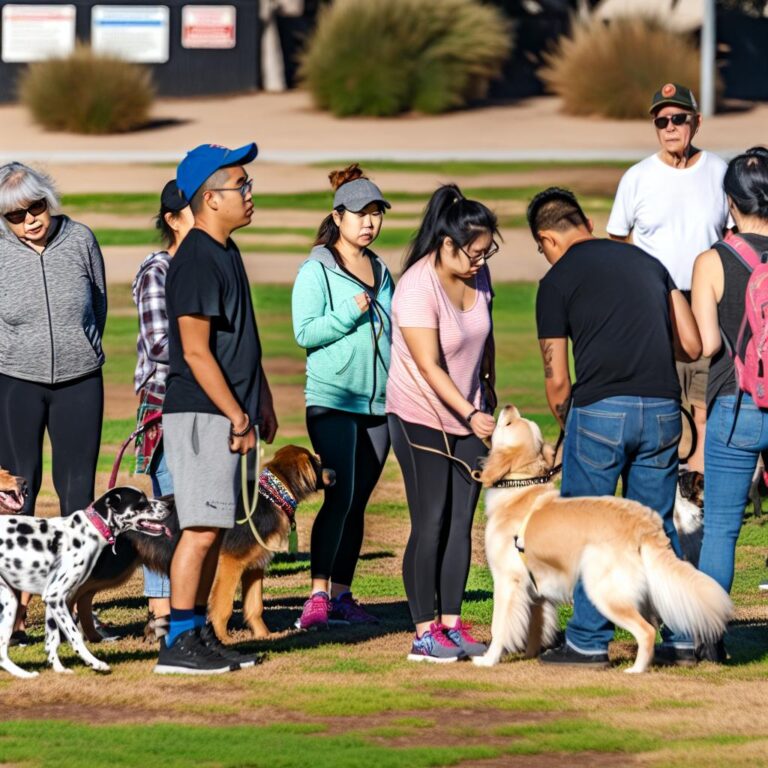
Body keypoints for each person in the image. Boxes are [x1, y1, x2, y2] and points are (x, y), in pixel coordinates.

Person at [530, 187, 702, 667]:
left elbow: (558, 381)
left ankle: (587, 640)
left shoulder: (556, 281)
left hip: (600, 410)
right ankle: (683, 636)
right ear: (584, 222)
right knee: (655, 526)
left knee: (589, 529)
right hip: (664, 408)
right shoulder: (647, 262)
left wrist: (569, 425)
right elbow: (690, 345)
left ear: (548, 238)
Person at [154, 143, 278, 675]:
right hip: (205, 415)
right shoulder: (198, 258)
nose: (249, 195)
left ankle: (198, 632)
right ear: (208, 199)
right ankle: (177, 642)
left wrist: (262, 398)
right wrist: (237, 415)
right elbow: (196, 351)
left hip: (228, 412)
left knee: (212, 526)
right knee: (201, 528)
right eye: (240, 186)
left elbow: (239, 340)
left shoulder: (225, 250)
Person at [386, 184, 498, 663]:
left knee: (461, 523)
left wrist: (487, 388)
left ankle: (451, 625)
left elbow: (483, 334)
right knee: (430, 520)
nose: (480, 260)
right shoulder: (416, 286)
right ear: (446, 244)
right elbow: (430, 366)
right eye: (473, 252)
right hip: (419, 416)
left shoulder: (480, 275)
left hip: (469, 414)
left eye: (487, 251)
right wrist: (470, 413)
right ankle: (423, 632)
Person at [0, 162, 106, 644]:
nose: (30, 220)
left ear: (48, 200)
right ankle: (15, 616)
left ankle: (72, 613)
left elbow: (98, 306)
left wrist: (78, 347)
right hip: (15, 384)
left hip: (80, 382)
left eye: (36, 207)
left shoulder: (81, 239)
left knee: (77, 500)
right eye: (15, 216)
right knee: (16, 497)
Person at [607, 82, 731, 490]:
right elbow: (618, 239)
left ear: (696, 122)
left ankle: (698, 480)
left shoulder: (718, 171)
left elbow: (732, 237)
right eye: (662, 121)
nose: (671, 127)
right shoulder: (637, 177)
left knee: (702, 395)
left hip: (704, 300)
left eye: (679, 119)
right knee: (659, 393)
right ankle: (660, 475)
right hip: (652, 301)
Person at [291, 164, 394, 630]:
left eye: (376, 214)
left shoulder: (382, 269)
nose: (369, 222)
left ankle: (342, 595)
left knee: (358, 500)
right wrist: (349, 316)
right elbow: (305, 332)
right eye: (360, 213)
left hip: (379, 405)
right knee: (340, 495)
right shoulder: (317, 270)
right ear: (338, 216)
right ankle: (316, 596)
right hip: (332, 400)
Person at [691, 147, 768, 659]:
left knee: (720, 528)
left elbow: (707, 346)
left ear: (729, 202)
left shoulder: (712, 260)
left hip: (735, 406)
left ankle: (709, 641)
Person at [132, 179, 194, 636]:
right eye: (193, 211)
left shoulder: (213, 264)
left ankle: (192, 608)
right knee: (166, 508)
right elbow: (158, 343)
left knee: (201, 509)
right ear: (172, 220)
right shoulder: (157, 271)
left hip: (208, 404)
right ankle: (160, 613)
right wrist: (211, 357)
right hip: (166, 403)